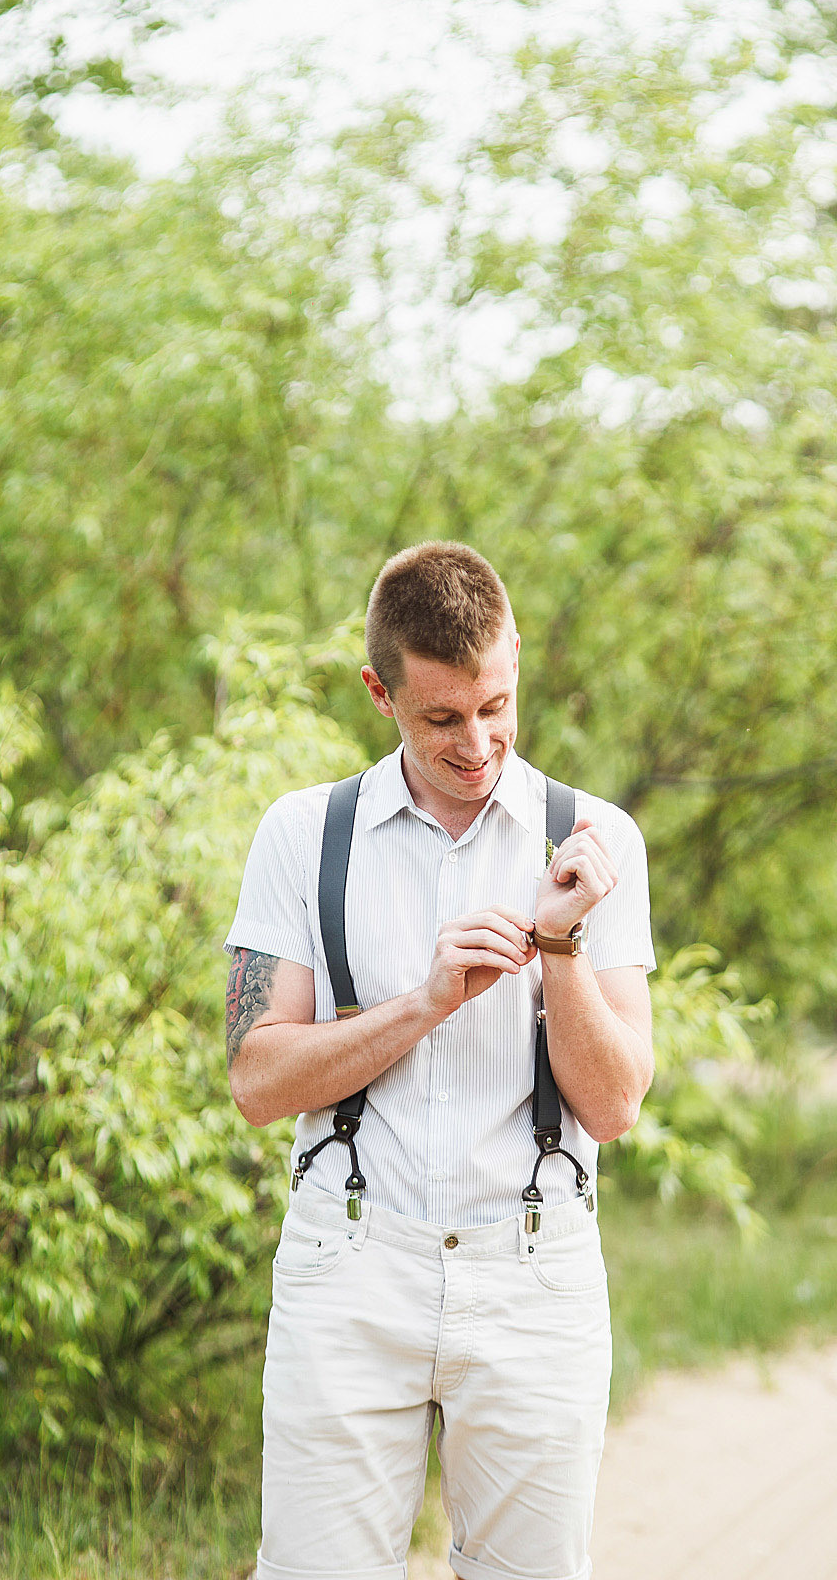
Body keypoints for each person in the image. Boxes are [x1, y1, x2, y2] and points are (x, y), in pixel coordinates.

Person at [224, 541, 655, 1580]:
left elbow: (612, 1106)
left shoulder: (599, 839)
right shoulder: (303, 834)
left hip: (533, 1269)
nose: (479, 743)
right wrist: (421, 1003)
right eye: (441, 718)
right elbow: (256, 1080)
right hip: (348, 1265)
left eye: (496, 704)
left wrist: (560, 946)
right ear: (379, 691)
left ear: (513, 654)